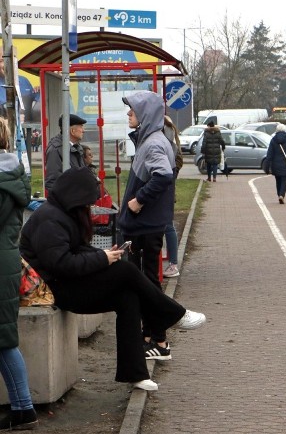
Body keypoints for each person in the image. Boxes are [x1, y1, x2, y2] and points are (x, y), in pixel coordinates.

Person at [19, 167, 205, 392]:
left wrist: (105, 256)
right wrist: (102, 259)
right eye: (88, 202)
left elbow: (77, 251)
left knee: (128, 297)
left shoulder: (63, 214)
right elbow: (62, 264)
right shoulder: (49, 220)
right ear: (76, 197)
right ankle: (174, 315)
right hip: (53, 290)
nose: (89, 207)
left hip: (65, 284)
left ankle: (135, 374)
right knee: (125, 272)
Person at [117, 91, 177, 362]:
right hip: (147, 225)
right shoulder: (152, 139)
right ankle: (150, 335)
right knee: (146, 281)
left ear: (145, 115)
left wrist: (138, 201)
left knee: (149, 283)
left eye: (132, 111)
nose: (129, 115)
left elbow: (163, 175)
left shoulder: (152, 143)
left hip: (146, 225)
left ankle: (161, 342)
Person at [0, 117, 38, 430]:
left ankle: (24, 408)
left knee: (4, 340)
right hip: (6, 263)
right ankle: (22, 408)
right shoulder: (10, 174)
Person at [44, 113, 86, 194]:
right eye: (81, 127)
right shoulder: (56, 149)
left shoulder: (77, 146)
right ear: (72, 131)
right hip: (69, 202)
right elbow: (52, 182)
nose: (83, 130)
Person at [162, 116, 182, 278]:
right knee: (167, 225)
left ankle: (173, 263)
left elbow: (177, 161)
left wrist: (170, 177)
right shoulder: (171, 136)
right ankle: (172, 262)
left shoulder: (167, 136)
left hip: (164, 189)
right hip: (167, 187)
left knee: (168, 225)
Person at [265, 123, 286, 204]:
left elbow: (269, 154)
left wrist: (267, 166)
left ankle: (279, 194)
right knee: (284, 180)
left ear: (277, 130)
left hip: (275, 165)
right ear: (284, 130)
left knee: (278, 180)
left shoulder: (273, 140)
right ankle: (282, 195)